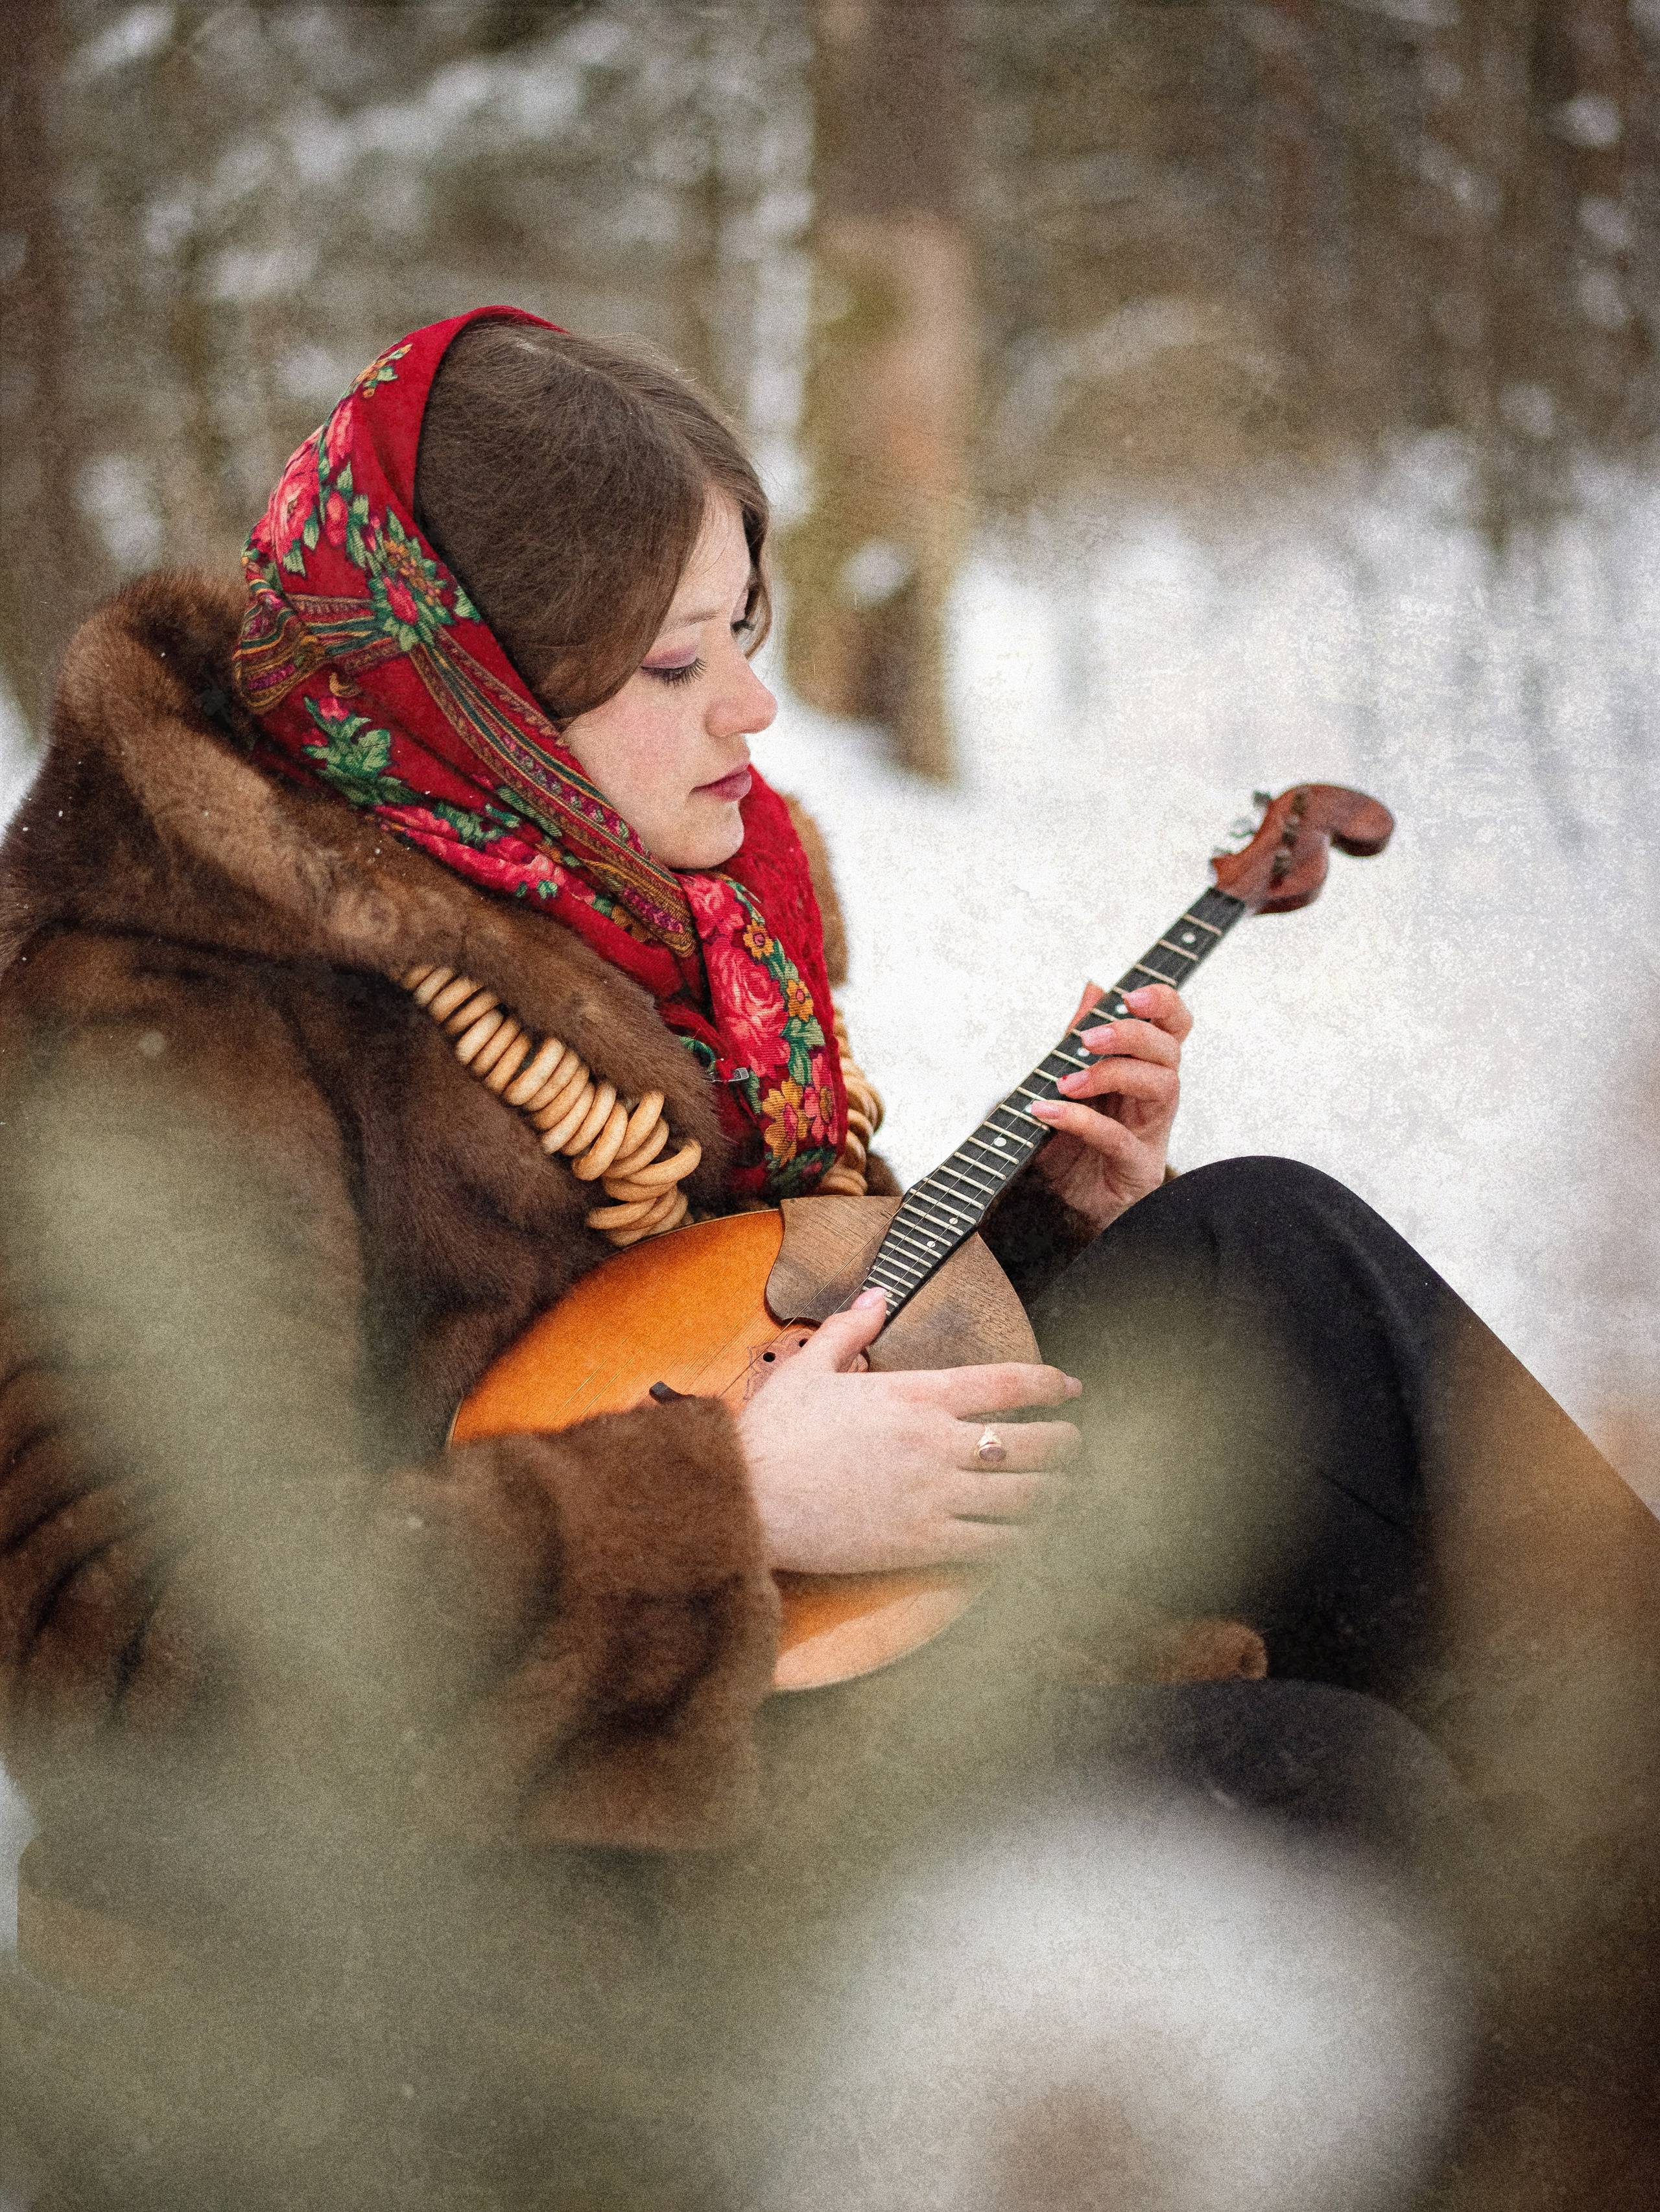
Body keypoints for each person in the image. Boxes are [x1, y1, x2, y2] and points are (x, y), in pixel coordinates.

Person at [1, 308, 1655, 2211]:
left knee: (1274, 1260)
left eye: (751, 633)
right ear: (484, 690)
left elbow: (709, 1303)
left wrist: (1031, 1227)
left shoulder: (597, 869)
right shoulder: (162, 1013)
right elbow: (104, 1640)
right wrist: (717, 1500)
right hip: (488, 1860)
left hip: (760, 1629)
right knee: (1308, 1789)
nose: (754, 714)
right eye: (676, 662)